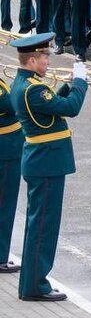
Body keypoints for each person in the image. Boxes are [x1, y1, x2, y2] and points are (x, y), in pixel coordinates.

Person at [10, 32, 89, 300]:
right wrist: (80, 82)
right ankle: (35, 286)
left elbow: (53, 107)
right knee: (43, 227)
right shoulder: (34, 89)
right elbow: (71, 108)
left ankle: (31, 284)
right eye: (45, 58)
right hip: (46, 162)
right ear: (32, 60)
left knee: (39, 225)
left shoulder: (26, 84)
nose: (48, 62)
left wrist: (66, 86)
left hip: (43, 161)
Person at [0, 69, 21, 273]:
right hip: (5, 150)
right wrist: (22, 81)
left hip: (7, 148)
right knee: (4, 205)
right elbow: (12, 104)